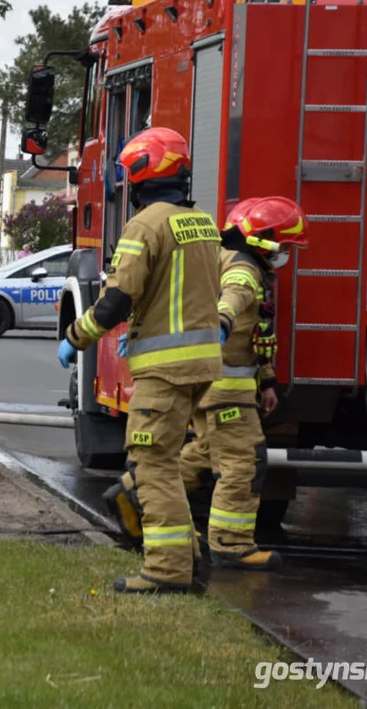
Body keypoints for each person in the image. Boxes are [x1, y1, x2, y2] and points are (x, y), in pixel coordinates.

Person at [57, 127, 222, 595]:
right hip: (200, 367)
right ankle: (185, 557)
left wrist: (75, 336)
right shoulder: (202, 222)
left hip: (164, 370)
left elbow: (116, 301)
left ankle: (166, 571)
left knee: (153, 468)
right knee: (167, 463)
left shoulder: (146, 226)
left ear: (142, 177)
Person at [103, 196, 309, 571]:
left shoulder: (231, 260)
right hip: (226, 388)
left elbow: (256, 333)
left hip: (219, 384)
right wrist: (224, 321)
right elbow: (233, 299)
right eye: (287, 247)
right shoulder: (243, 269)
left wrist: (266, 382)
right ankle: (231, 544)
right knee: (242, 463)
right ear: (263, 240)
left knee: (202, 454)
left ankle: (134, 489)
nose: (288, 255)